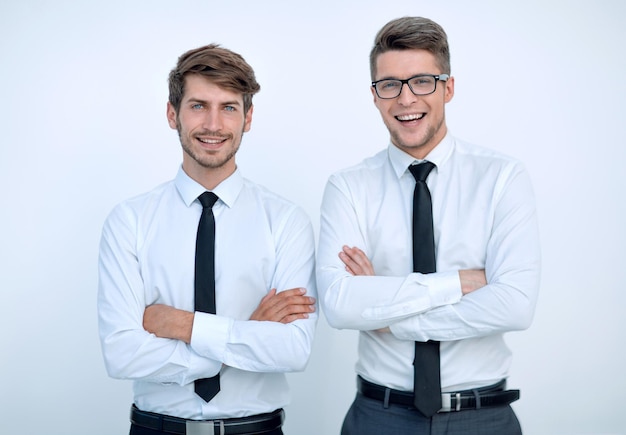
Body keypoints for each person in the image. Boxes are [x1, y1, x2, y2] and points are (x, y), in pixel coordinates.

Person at [316, 16, 540, 434]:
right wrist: (457, 283)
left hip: (482, 417)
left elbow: (515, 304)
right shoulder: (348, 187)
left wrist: (387, 316)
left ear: (448, 88)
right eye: (390, 85)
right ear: (375, 95)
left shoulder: (502, 178)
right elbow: (340, 304)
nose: (405, 99)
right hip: (378, 417)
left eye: (422, 81)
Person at [97, 43, 317, 435]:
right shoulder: (129, 221)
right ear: (172, 114)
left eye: (229, 107)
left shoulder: (285, 222)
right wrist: (245, 335)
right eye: (198, 105)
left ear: (248, 118)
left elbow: (292, 350)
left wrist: (181, 324)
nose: (213, 124)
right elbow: (122, 355)